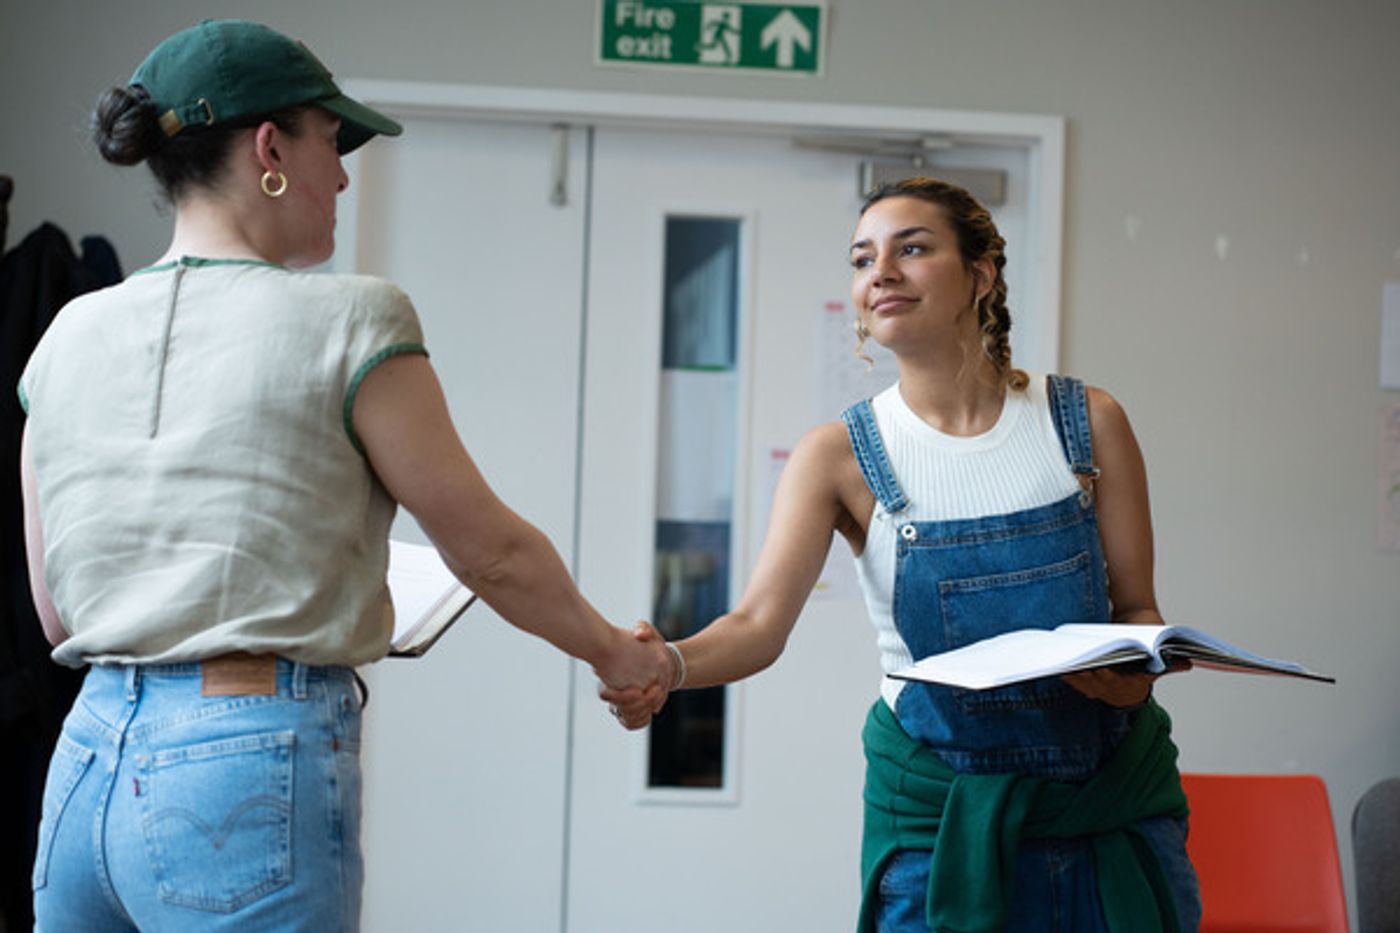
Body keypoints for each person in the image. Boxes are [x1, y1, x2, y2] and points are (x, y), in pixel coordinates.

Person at [19, 20, 672, 932]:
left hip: (85, 767)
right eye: (333, 141)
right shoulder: (354, 316)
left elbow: (56, 609)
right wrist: (618, 654)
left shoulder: (65, 338)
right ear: (270, 147)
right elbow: (490, 554)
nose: (342, 174)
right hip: (237, 765)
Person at [605, 176, 1201, 932]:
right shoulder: (838, 457)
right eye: (863, 259)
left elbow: (1137, 610)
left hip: (1109, 815)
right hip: (938, 826)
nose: (879, 272)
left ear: (980, 275)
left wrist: (1128, 682)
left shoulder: (1087, 421)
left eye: (911, 249)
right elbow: (757, 622)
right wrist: (672, 664)